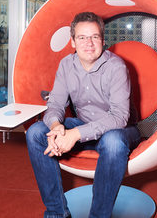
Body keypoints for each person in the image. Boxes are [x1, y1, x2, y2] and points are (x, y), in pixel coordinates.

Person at [26, 12, 140, 218]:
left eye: (95, 37)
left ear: (103, 41)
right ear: (72, 42)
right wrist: (55, 126)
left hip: (121, 131)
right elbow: (55, 105)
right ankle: (56, 213)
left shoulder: (116, 67)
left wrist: (75, 134)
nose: (89, 43)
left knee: (113, 141)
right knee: (35, 133)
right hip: (85, 125)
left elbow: (119, 117)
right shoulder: (66, 65)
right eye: (82, 37)